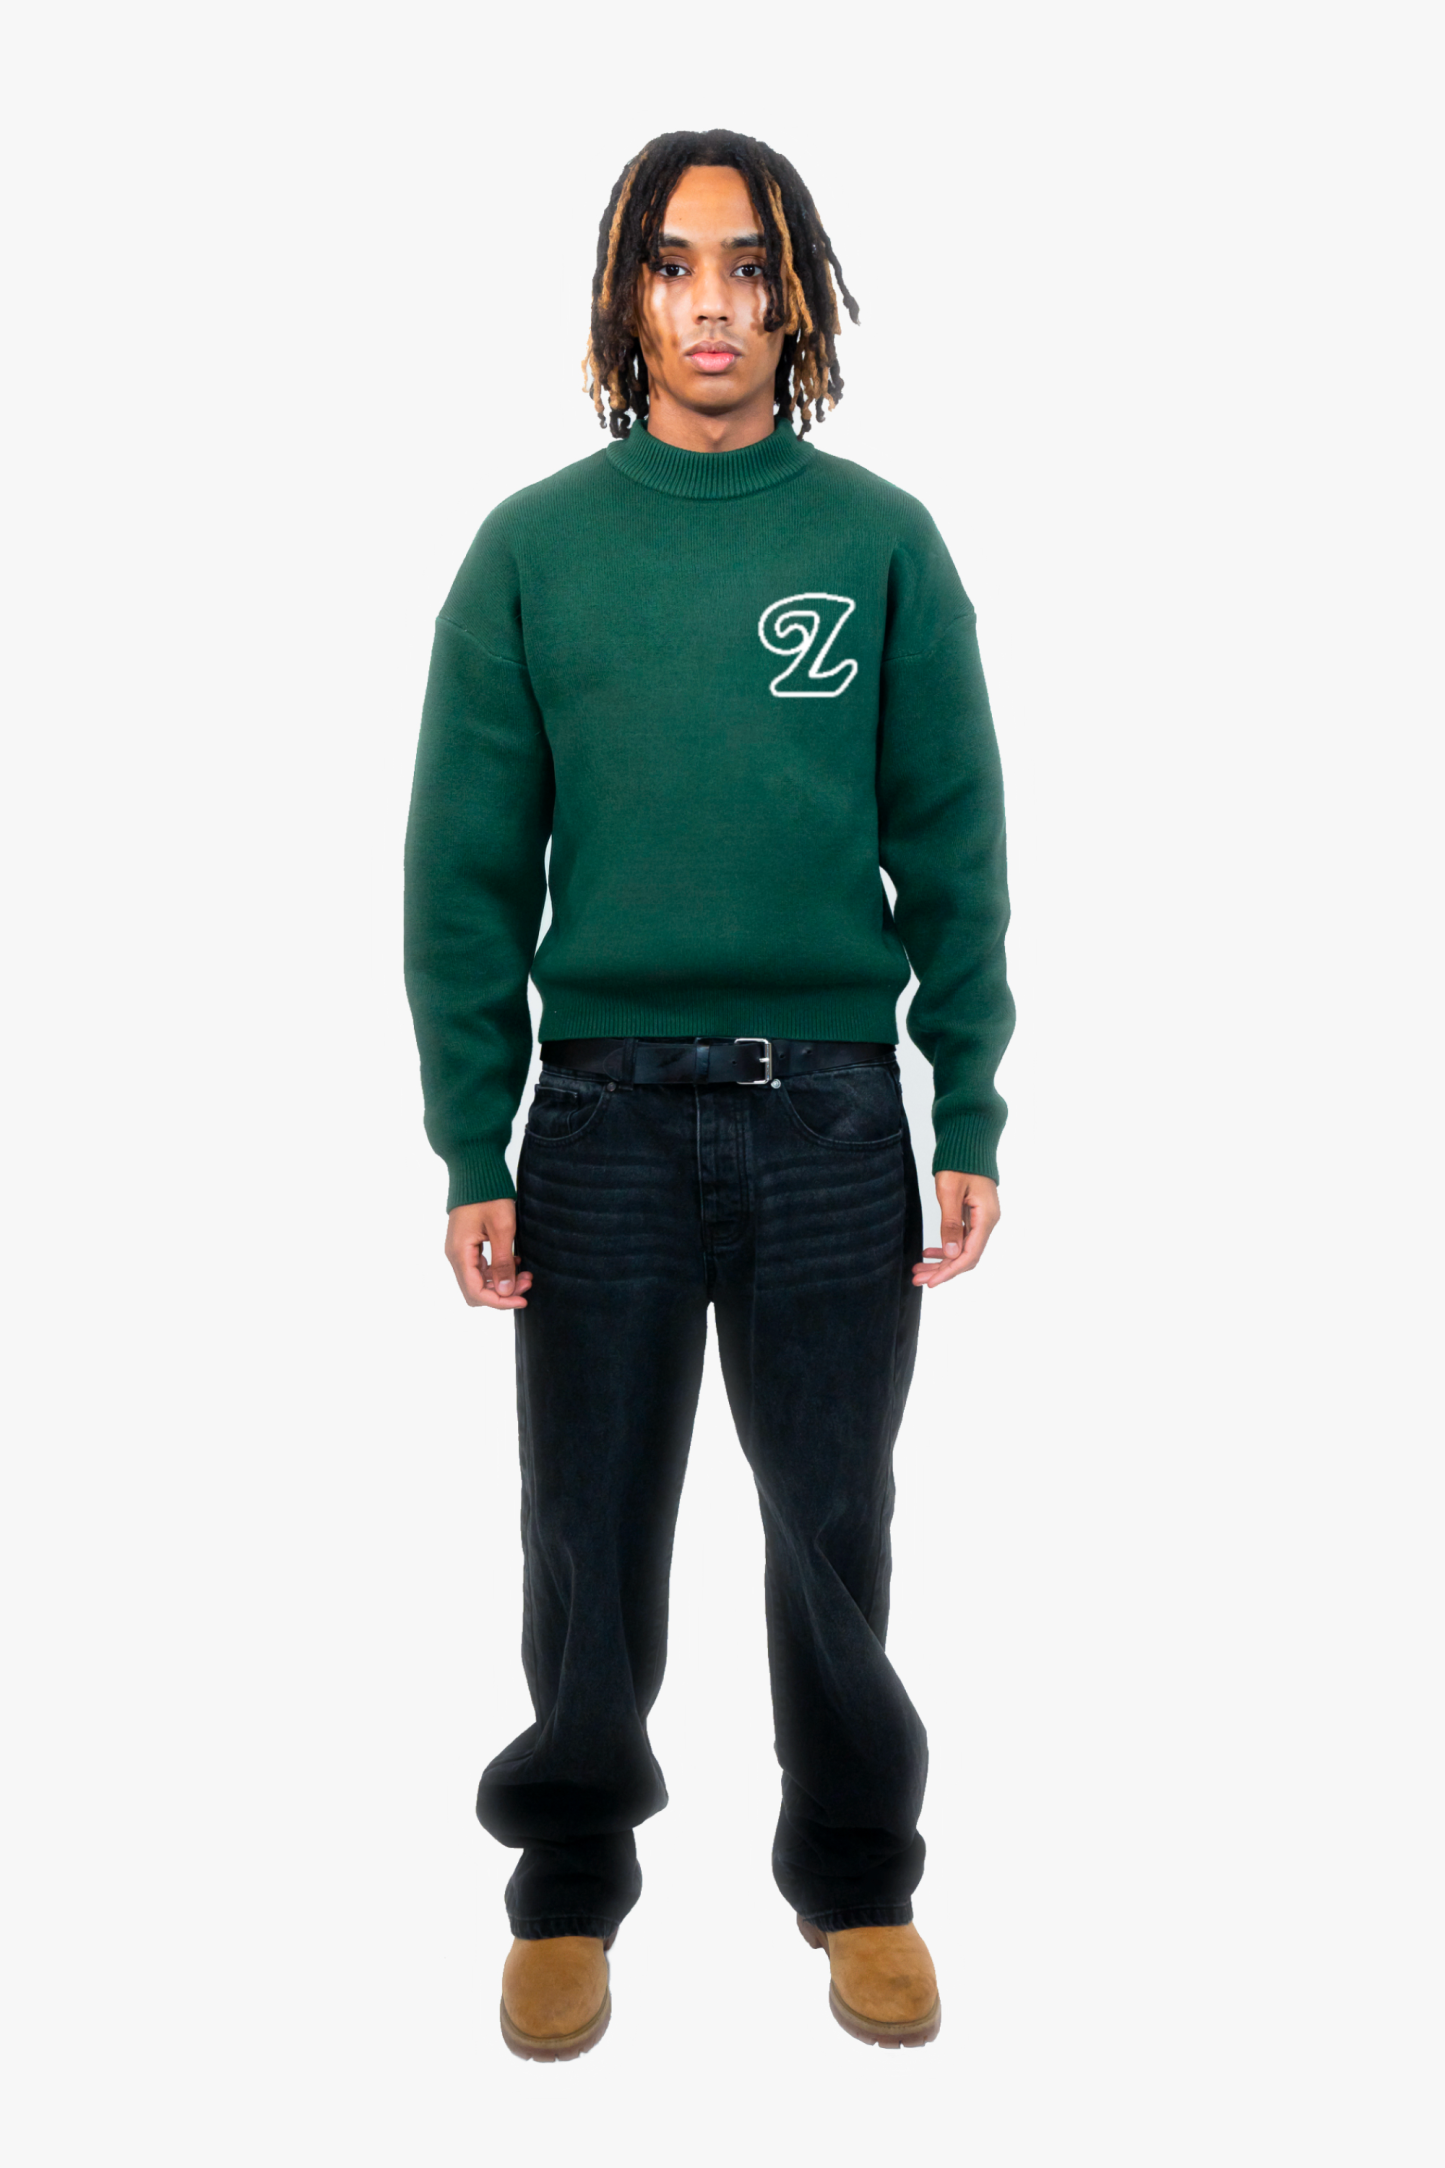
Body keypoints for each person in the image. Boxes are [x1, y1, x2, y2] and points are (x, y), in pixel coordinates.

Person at [404, 128, 1014, 2059]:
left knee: (831, 1524)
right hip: (596, 1125)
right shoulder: (533, 552)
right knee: (586, 1529)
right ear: (625, 298)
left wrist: (970, 1108)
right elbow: (465, 874)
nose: (715, 304)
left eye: (751, 266)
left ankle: (859, 1876)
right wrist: (472, 1138)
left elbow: (954, 841)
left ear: (798, 292)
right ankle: (568, 1883)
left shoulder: (881, 543)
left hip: (829, 1111)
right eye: (674, 267)